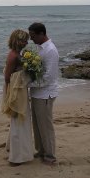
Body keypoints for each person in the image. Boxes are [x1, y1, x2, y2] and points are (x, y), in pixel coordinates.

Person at [28, 22, 59, 165]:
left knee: (45, 126)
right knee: (37, 125)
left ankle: (50, 156)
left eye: (33, 36)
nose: (31, 39)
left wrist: (28, 84)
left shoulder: (50, 50)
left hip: (45, 94)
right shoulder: (39, 48)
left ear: (41, 34)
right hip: (36, 93)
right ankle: (41, 150)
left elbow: (49, 77)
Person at [1, 29, 33, 166]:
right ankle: (16, 157)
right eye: (23, 40)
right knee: (19, 119)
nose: (26, 42)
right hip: (16, 91)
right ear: (16, 40)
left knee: (20, 120)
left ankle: (14, 149)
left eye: (26, 40)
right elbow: (7, 77)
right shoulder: (13, 56)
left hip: (20, 89)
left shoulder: (18, 54)